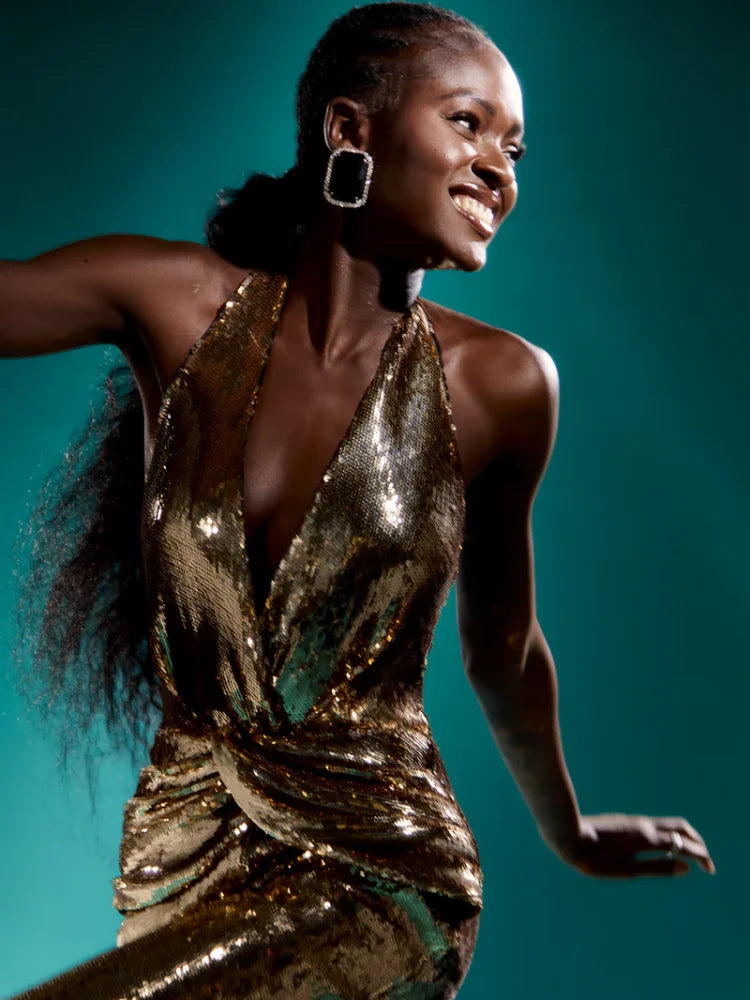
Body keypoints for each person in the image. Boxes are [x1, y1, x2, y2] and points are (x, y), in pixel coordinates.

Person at [0, 3, 714, 997]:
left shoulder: (502, 387)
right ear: (351, 130)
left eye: (514, 150)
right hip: (178, 860)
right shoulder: (174, 304)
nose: (500, 170)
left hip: (377, 878)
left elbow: (504, 650)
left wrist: (573, 832)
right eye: (468, 124)